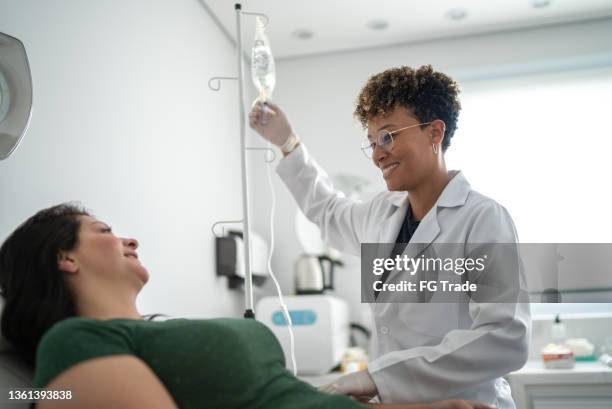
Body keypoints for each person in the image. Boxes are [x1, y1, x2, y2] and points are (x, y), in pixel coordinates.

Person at [0, 203, 494, 409]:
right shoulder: (76, 341)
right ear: (63, 256)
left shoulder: (159, 332)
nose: (128, 238)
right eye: (104, 231)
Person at [249, 65, 531, 408]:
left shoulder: (483, 218)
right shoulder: (381, 213)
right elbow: (326, 209)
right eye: (372, 143)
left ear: (434, 133)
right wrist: (286, 141)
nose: (378, 154)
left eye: (388, 136)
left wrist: (376, 377)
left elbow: (505, 337)